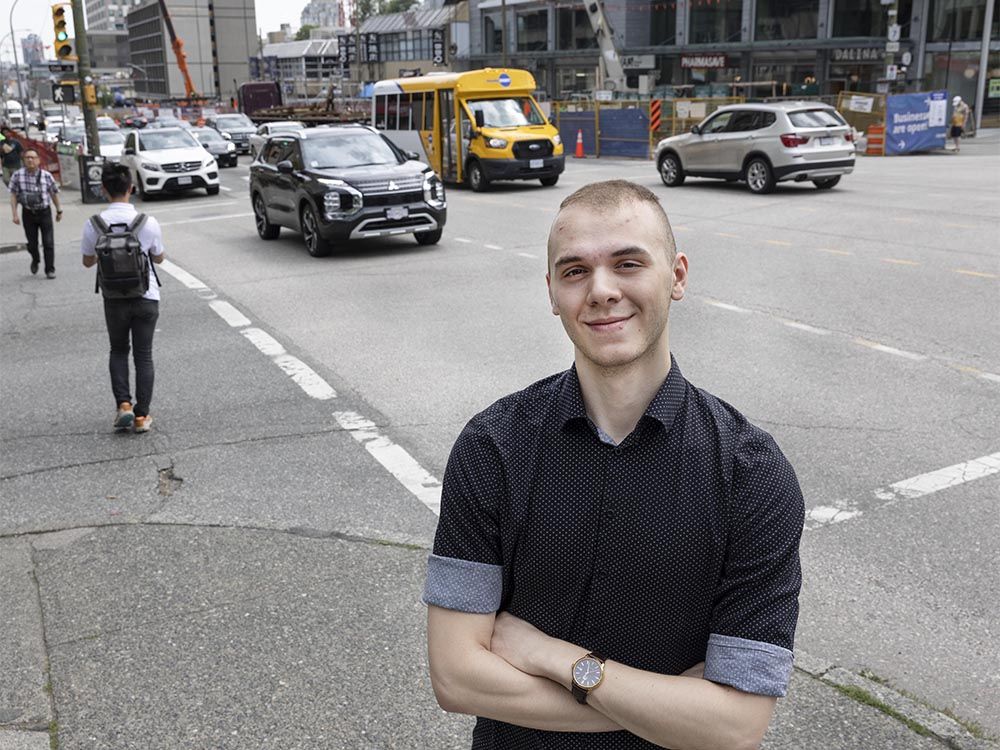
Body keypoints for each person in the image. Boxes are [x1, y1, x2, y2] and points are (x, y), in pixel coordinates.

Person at [424, 180, 804, 750]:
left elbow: (738, 725)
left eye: (628, 263)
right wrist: (674, 710)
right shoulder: (492, 448)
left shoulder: (752, 474)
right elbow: (455, 677)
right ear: (551, 291)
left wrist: (556, 658)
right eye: (574, 271)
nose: (601, 290)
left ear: (676, 276)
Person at [81, 162, 166, 434]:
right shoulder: (148, 222)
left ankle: (124, 406)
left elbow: (87, 262)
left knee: (118, 350)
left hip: (113, 297)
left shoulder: (94, 224)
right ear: (131, 188)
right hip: (146, 295)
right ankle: (142, 417)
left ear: (104, 189)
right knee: (144, 355)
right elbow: (159, 257)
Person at [9, 148, 62, 279]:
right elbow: (13, 195)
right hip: (28, 213)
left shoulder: (46, 176)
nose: (30, 160)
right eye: (27, 157)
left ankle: (50, 269)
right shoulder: (17, 176)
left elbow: (54, 193)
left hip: (44, 212)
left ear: (38, 160)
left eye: (33, 157)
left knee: (48, 242)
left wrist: (59, 210)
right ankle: (35, 259)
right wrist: (14, 214)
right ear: (24, 160)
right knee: (32, 243)